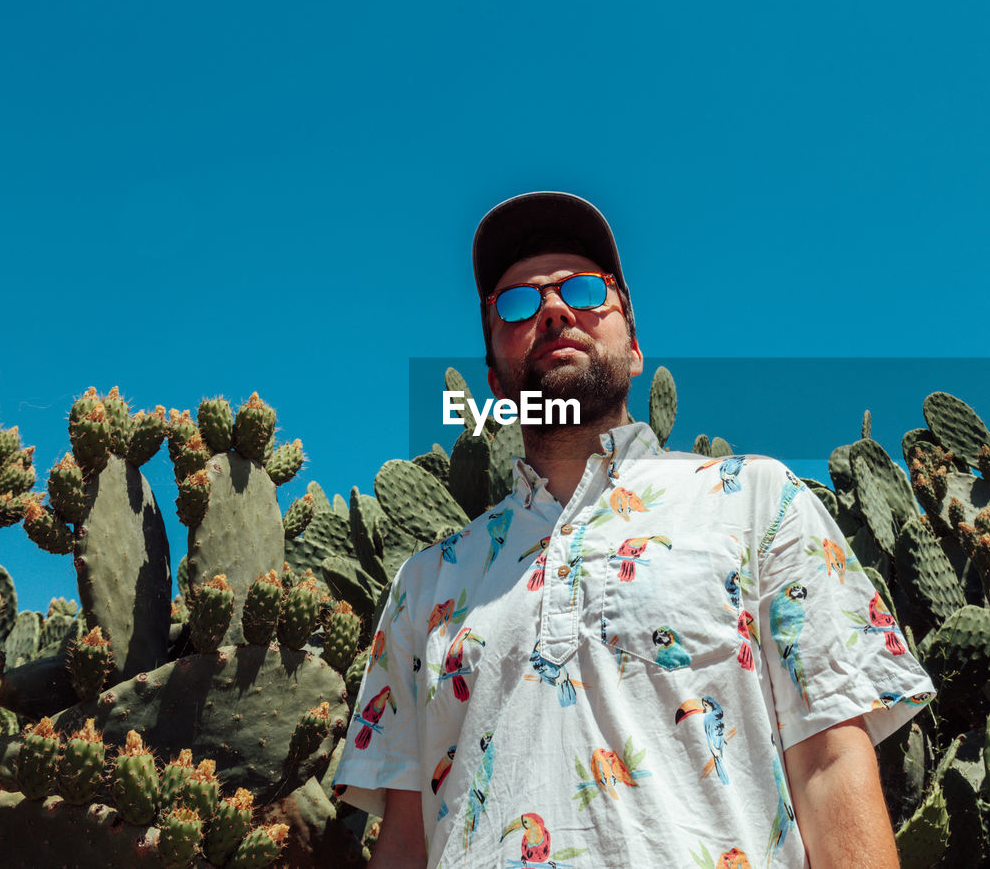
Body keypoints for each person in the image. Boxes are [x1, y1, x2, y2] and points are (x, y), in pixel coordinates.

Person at [333, 191, 936, 869]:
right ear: (495, 382)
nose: (555, 310)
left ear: (636, 345)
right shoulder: (426, 582)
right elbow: (407, 838)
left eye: (587, 291)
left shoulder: (757, 502)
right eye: (516, 304)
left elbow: (831, 764)